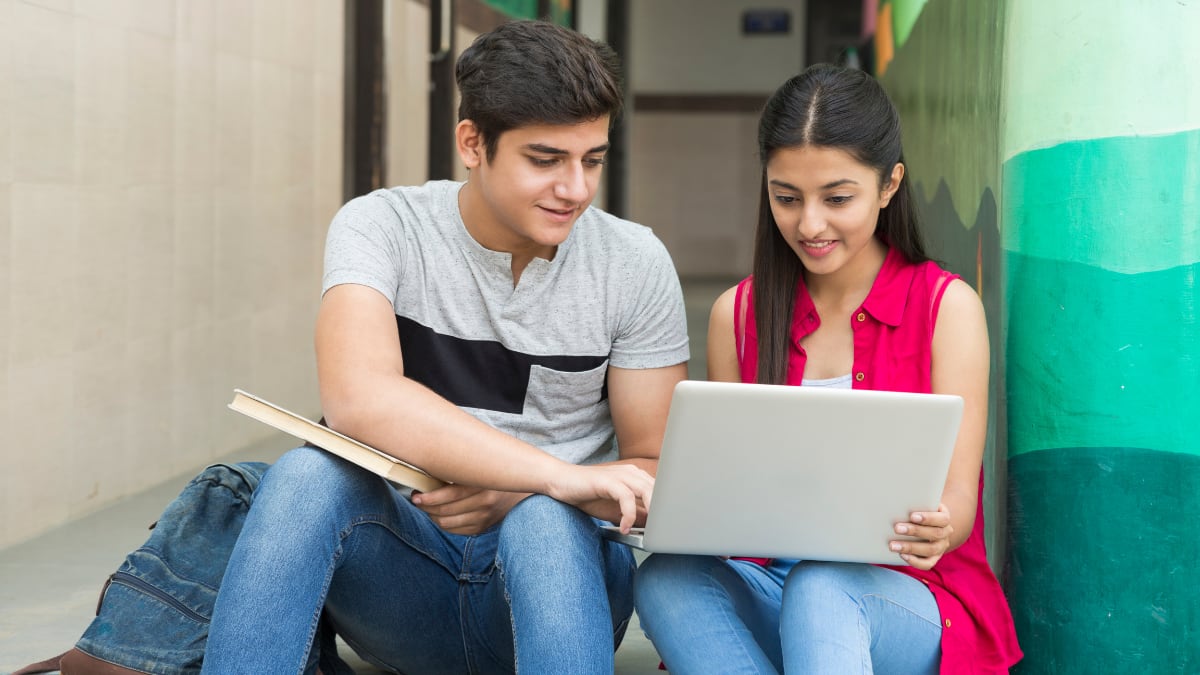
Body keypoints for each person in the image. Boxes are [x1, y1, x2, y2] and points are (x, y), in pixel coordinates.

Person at [202, 20, 689, 675]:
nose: (575, 187)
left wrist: (526, 493)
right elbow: (357, 399)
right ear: (472, 143)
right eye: (545, 159)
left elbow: (657, 469)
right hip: (405, 582)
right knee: (305, 474)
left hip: (558, 590)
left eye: (592, 159)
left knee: (542, 521)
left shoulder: (633, 262)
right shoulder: (381, 225)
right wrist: (554, 473)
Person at [632, 64, 1022, 673]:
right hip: (776, 589)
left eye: (837, 198)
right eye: (786, 197)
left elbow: (958, 503)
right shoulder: (737, 315)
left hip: (909, 604)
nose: (809, 224)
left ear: (889, 185)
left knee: (823, 587)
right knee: (664, 580)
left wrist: (937, 527)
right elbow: (728, 493)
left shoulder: (947, 309)